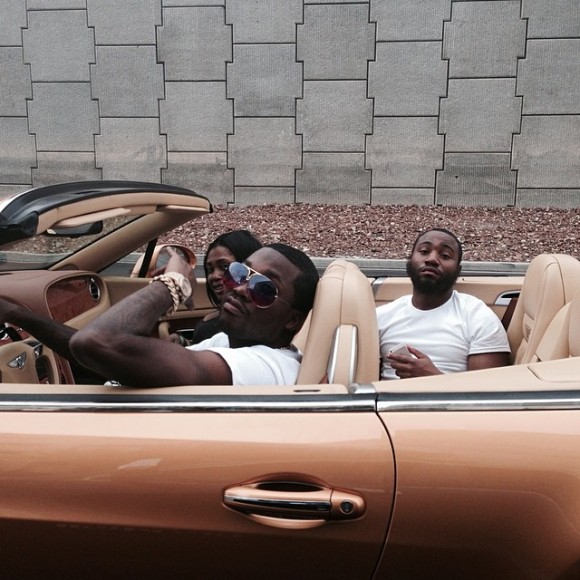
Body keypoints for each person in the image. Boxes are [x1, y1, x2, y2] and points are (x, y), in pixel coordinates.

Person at [0, 243, 319, 387]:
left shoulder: (266, 367)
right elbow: (94, 350)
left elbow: (96, 343)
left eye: (264, 288)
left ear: (292, 320)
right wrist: (17, 314)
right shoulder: (229, 342)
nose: (239, 288)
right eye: (240, 273)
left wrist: (174, 284)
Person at [377, 228, 510, 380]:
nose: (432, 259)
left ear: (458, 270)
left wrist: (433, 378)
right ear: (409, 261)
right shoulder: (382, 316)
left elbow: (488, 390)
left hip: (451, 396)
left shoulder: (478, 317)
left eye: (445, 255)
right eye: (424, 251)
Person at [175, 229, 262, 345]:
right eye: (210, 270)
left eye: (225, 267)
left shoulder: (265, 325)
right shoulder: (209, 327)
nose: (214, 276)